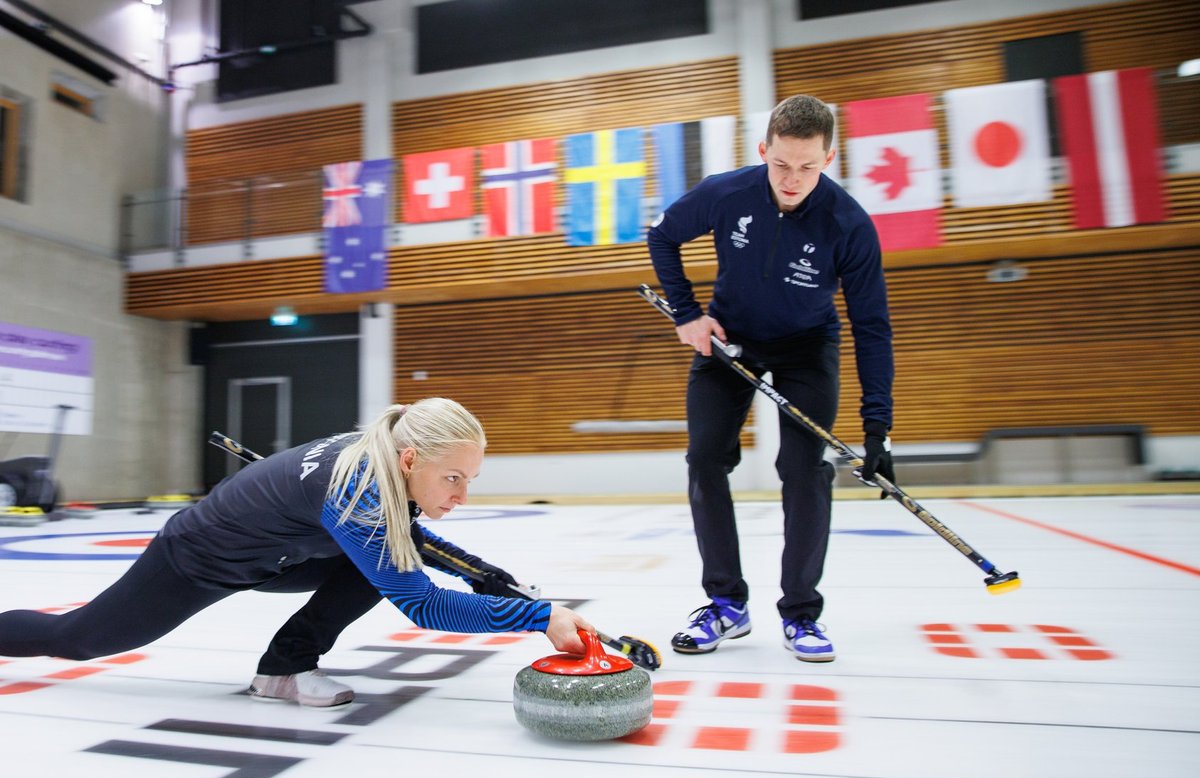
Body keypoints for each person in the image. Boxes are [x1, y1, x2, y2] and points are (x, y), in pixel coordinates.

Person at [0, 398, 593, 706]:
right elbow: (424, 608)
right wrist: (537, 616)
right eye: (454, 479)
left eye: (471, 480)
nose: (462, 495)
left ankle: (283, 670)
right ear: (412, 460)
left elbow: (403, 539)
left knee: (378, 569)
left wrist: (483, 574)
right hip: (197, 559)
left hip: (275, 554)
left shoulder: (384, 456)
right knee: (82, 639)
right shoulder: (358, 487)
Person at [646, 94, 895, 663]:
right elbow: (662, 236)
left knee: (804, 467)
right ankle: (726, 605)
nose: (793, 179)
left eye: (808, 166)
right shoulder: (727, 191)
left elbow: (873, 328)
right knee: (706, 458)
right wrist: (687, 314)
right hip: (729, 339)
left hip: (807, 348)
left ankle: (802, 613)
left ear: (828, 159)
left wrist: (878, 427)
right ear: (763, 150)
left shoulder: (848, 225)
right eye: (781, 164)